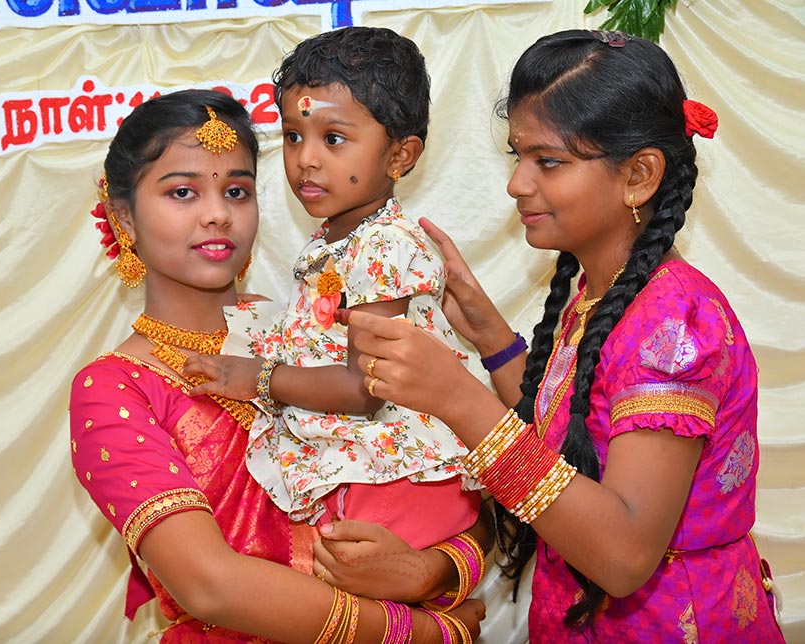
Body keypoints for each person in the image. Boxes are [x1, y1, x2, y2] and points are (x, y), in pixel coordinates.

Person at [342, 29, 786, 643]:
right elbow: (570, 433)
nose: (517, 184)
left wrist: (460, 401)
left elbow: (624, 557)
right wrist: (491, 338)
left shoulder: (674, 322)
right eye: (517, 156)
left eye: (548, 161)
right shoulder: (608, 293)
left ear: (639, 175)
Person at [69, 88, 485, 642]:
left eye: (237, 191)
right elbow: (210, 586)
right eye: (183, 192)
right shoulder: (114, 388)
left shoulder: (299, 329)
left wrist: (431, 571)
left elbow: (442, 472)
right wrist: (423, 633)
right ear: (124, 216)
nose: (217, 215)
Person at [185, 26, 483, 555]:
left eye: (333, 139)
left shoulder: (384, 243)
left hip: (400, 475)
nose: (306, 159)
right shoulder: (339, 238)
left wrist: (256, 376)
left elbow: (363, 388)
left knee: (345, 589)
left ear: (400, 155)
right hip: (366, 466)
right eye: (293, 136)